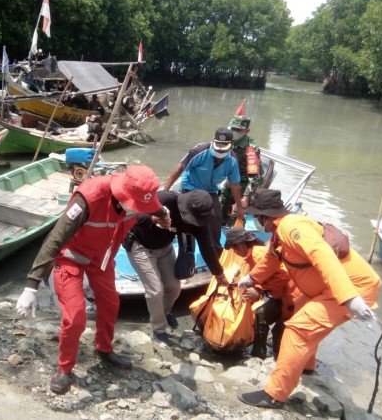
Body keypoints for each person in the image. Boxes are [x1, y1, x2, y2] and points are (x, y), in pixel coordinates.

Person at [15, 165, 171, 395]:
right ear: (123, 193)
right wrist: (32, 285)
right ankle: (65, 369)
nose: (137, 210)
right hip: (71, 259)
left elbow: (156, 208)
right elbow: (54, 240)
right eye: (136, 206)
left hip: (102, 258)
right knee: (75, 316)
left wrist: (163, 217)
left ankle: (104, 349)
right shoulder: (88, 198)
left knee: (111, 304)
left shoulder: (140, 199)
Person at [236, 189, 382, 409]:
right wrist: (250, 278)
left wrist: (349, 297)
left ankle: (274, 395)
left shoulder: (291, 227)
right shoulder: (279, 234)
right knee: (299, 313)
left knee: (297, 330)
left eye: (256, 217)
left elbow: (322, 254)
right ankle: (306, 367)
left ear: (264, 216)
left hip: (350, 287)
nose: (256, 221)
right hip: (327, 289)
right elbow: (271, 261)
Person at [124, 190, 229, 344]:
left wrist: (219, 274)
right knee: (155, 290)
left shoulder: (200, 223)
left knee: (174, 287)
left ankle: (164, 312)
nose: (191, 222)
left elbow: (207, 247)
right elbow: (134, 215)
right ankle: (159, 329)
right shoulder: (166, 199)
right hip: (140, 245)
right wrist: (154, 219)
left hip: (165, 247)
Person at [163, 127, 244, 254]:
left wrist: (239, 207)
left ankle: (216, 253)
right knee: (187, 221)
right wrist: (165, 191)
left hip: (210, 191)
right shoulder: (199, 151)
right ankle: (187, 253)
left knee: (215, 220)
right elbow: (179, 169)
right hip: (190, 188)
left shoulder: (232, 160)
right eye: (217, 147)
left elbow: (235, 184)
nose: (219, 151)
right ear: (213, 142)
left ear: (230, 145)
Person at [224, 226, 296, 359]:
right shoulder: (252, 255)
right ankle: (267, 354)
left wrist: (259, 289)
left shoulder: (258, 254)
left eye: (234, 248)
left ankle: (260, 354)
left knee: (267, 319)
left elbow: (284, 276)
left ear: (240, 244)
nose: (234, 252)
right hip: (279, 293)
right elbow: (262, 276)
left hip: (290, 297)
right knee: (272, 325)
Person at [220, 115, 264, 225]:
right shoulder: (227, 140)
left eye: (238, 130)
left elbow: (255, 177)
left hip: (246, 183)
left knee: (238, 214)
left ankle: (237, 234)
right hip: (229, 180)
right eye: (233, 129)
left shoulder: (251, 148)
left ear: (246, 131)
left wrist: (245, 196)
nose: (235, 132)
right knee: (220, 207)